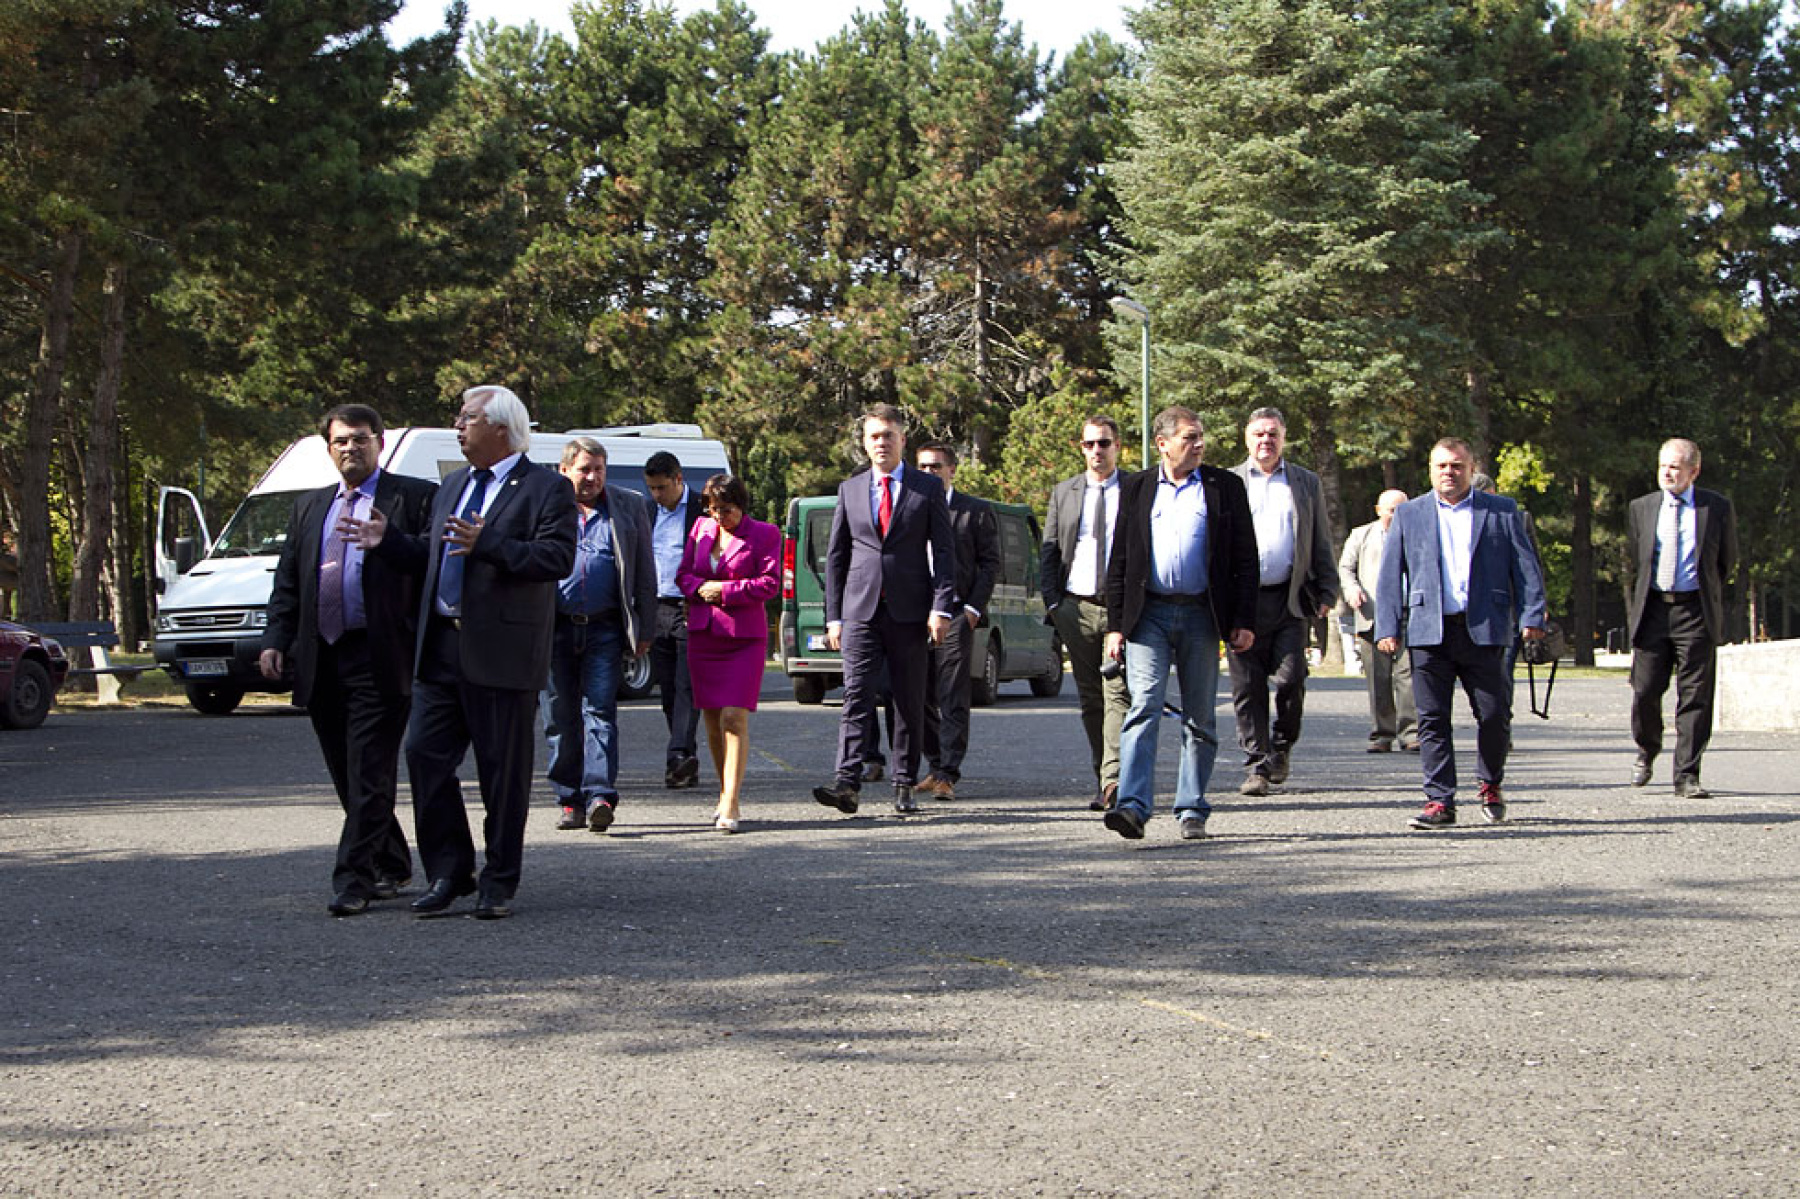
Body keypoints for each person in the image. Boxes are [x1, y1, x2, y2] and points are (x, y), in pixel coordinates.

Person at [358, 385, 576, 919]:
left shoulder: (546, 488)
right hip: (440, 647)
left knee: (502, 773)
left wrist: (490, 544)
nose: (458, 426)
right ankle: (449, 872)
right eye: (458, 418)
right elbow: (433, 555)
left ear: (501, 427)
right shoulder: (453, 484)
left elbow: (556, 558)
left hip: (503, 652)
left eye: (467, 418)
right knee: (424, 756)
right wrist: (389, 541)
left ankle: (499, 880)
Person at [260, 404, 437, 917]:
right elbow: (289, 580)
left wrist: (391, 541)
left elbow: (431, 559)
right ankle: (392, 861)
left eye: (360, 438)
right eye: (340, 441)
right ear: (328, 448)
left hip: (380, 653)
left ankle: (353, 879)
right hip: (323, 654)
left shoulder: (413, 497)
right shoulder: (310, 506)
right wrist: (276, 638)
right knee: (347, 772)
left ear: (380, 441)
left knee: (369, 770)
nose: (350, 448)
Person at [1101, 406, 1259, 841]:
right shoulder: (1136, 487)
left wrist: (1243, 619)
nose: (1198, 444)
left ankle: (1192, 808)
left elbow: (1246, 558)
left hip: (1202, 614)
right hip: (1147, 614)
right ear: (1162, 444)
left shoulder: (1224, 487)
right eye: (1189, 437)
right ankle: (1132, 806)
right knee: (1143, 706)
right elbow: (1120, 560)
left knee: (1200, 716)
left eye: (1200, 436)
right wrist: (1116, 625)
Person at [1375, 438, 1546, 830]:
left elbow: (1526, 568)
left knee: (1494, 714)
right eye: (1441, 466)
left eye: (1456, 466)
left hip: (1485, 628)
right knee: (1432, 719)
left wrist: (1532, 613)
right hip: (1429, 630)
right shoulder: (1410, 514)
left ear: (1471, 469)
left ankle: (1490, 783)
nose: (1448, 473)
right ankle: (1439, 800)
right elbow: (1390, 574)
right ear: (1430, 470)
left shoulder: (1501, 511)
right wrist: (1388, 625)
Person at [812, 403, 956, 816]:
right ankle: (847, 782)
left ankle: (904, 782)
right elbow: (836, 557)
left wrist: (941, 607)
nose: (881, 443)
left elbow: (944, 553)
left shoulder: (926, 489)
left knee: (907, 700)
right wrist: (834, 617)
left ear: (902, 440)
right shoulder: (851, 489)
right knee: (856, 694)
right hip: (860, 610)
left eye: (888, 436)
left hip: (910, 610)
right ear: (864, 442)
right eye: (874, 436)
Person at [545, 438, 656, 835]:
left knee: (600, 712)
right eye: (584, 469)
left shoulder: (628, 505)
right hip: (555, 628)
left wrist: (645, 628)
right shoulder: (546, 504)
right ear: (564, 471)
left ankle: (599, 797)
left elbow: (645, 571)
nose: (592, 477)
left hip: (605, 628)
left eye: (599, 470)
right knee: (560, 716)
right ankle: (569, 799)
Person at [1228, 407, 1339, 796]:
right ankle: (1256, 765)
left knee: (1292, 679)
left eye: (1272, 434)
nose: (1266, 440)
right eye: (1259, 434)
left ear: (1283, 438)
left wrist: (1327, 589)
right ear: (1247, 439)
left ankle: (1281, 745)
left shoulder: (1305, 482)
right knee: (1248, 688)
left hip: (1289, 601)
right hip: (1242, 603)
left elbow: (1320, 537)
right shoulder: (1230, 482)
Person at [1626, 438, 1738, 798]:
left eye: (1675, 467)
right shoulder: (1642, 507)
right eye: (1663, 466)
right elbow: (1638, 558)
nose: (1667, 473)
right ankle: (1647, 749)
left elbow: (1725, 562)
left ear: (1694, 471)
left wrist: (1702, 594)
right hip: (1654, 610)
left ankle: (1687, 774)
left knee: (1695, 696)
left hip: (1695, 611)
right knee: (1645, 690)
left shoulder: (1715, 508)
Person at [677, 474, 782, 831]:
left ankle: (732, 801)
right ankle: (723, 790)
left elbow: (770, 583)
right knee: (711, 718)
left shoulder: (765, 534)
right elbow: (683, 575)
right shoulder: (700, 530)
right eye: (713, 509)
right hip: (704, 635)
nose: (719, 516)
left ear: (741, 506)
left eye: (726, 509)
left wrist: (725, 591)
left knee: (734, 717)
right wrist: (700, 588)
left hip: (744, 639)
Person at [1040, 415, 1130, 811]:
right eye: (1089, 444)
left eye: (1104, 443)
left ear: (1117, 446)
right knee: (1091, 699)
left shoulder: (1135, 489)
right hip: (1075, 609)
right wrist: (1054, 604)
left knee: (1118, 694)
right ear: (1081, 448)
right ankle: (1102, 775)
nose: (1097, 450)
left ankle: (1114, 781)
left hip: (1120, 610)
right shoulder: (1065, 492)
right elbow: (1049, 550)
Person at [913, 440, 999, 801]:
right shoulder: (910, 509)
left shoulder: (974, 511)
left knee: (951, 694)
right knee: (916, 694)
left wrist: (973, 610)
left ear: (951, 470)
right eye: (922, 467)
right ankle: (934, 765)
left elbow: (990, 563)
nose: (929, 473)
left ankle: (948, 773)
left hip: (957, 613)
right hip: (914, 614)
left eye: (936, 466)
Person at [643, 451, 706, 790]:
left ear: (678, 479)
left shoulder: (702, 509)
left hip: (689, 607)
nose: (657, 495)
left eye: (662, 488)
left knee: (686, 686)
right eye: (652, 488)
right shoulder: (646, 511)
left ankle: (678, 755)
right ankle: (685, 760)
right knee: (668, 691)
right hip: (656, 609)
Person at [1338, 489, 1416, 753]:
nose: (1397, 515)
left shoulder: (1416, 534)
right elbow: (1345, 568)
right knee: (1377, 678)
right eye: (1391, 510)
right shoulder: (1361, 535)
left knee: (1409, 676)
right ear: (1379, 510)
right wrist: (1351, 590)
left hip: (1408, 614)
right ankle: (1382, 734)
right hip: (1373, 615)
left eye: (1402, 509)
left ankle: (1411, 733)